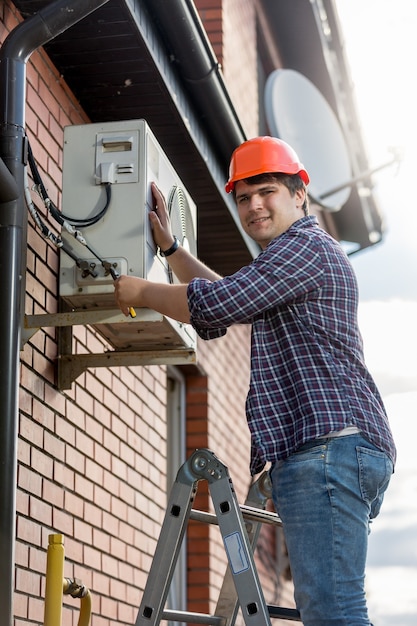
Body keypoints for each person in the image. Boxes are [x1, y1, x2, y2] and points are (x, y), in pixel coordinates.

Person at [114, 136, 396, 626]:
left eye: (266, 191)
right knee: (328, 606)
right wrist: (172, 250)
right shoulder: (286, 262)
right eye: (243, 198)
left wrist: (141, 290)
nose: (253, 205)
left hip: (329, 447)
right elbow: (229, 299)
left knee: (334, 612)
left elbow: (218, 304)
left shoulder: (304, 247)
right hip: (335, 448)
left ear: (299, 193)